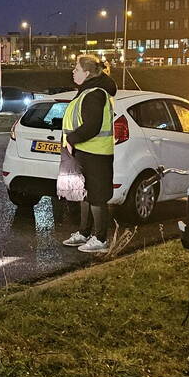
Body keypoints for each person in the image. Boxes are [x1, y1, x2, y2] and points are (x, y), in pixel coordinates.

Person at [61, 55, 118, 253]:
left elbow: (92, 126)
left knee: (97, 197)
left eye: (76, 69)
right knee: (85, 194)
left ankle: (100, 239)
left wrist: (71, 139)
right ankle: (84, 233)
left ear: (86, 73)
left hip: (96, 153)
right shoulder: (86, 92)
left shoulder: (94, 93)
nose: (73, 72)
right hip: (85, 151)